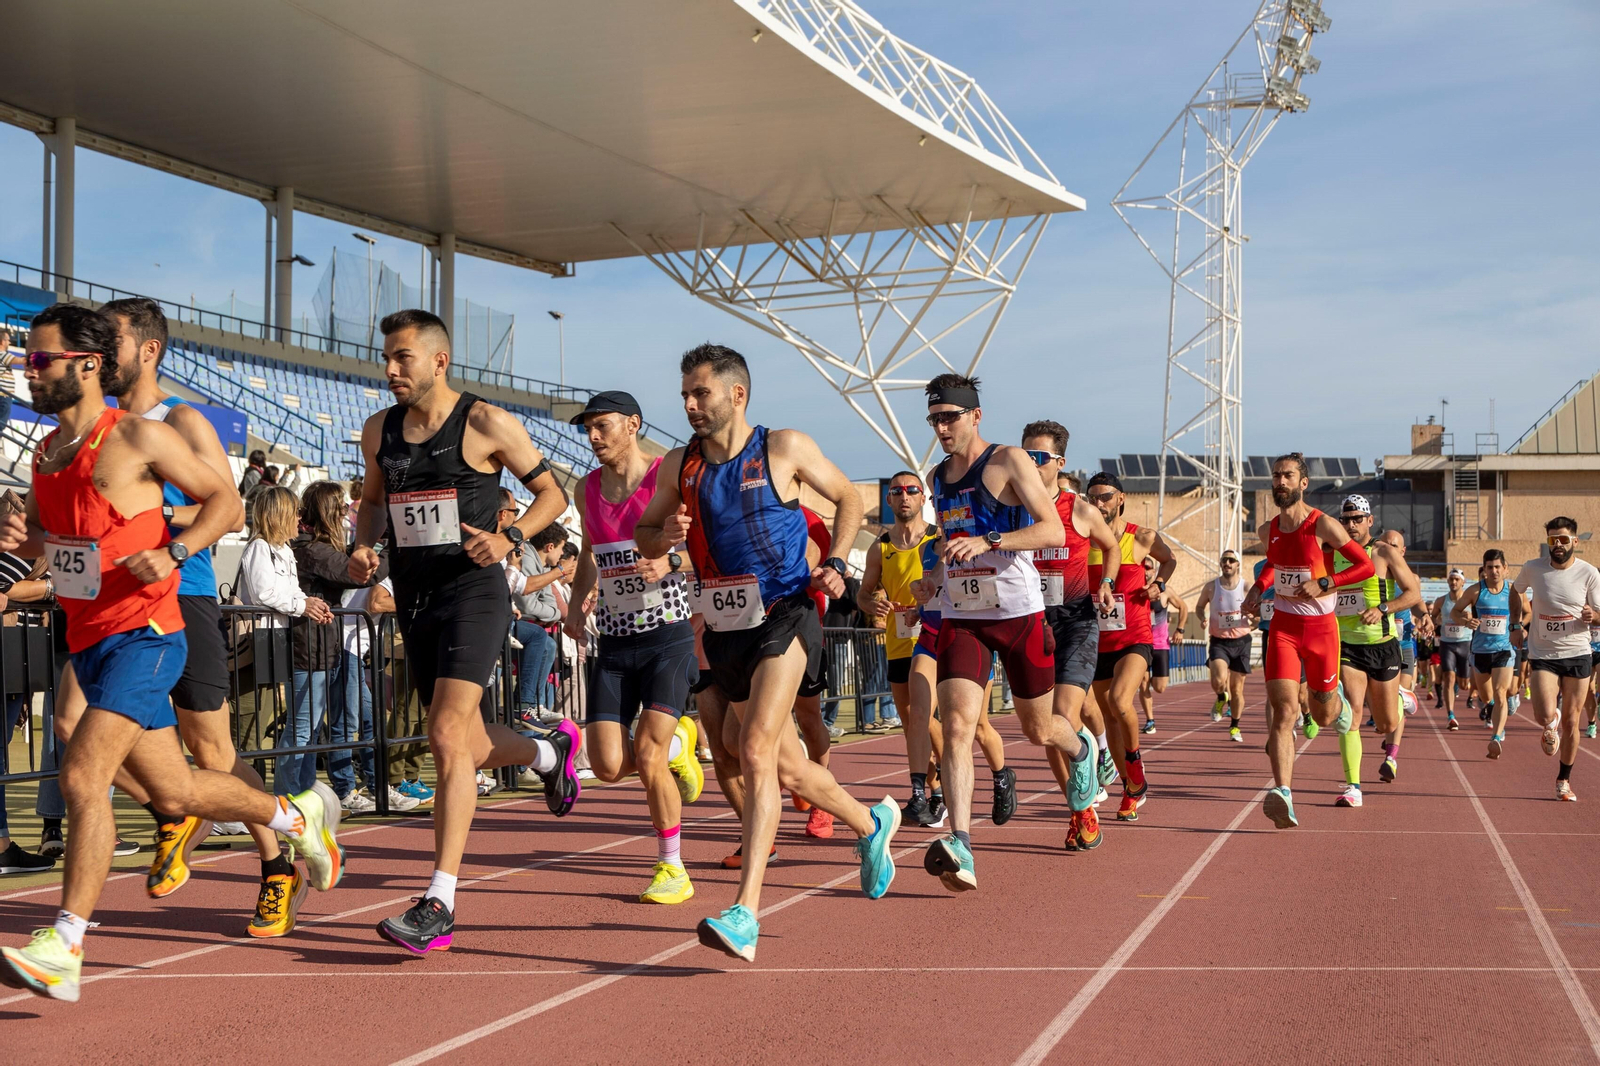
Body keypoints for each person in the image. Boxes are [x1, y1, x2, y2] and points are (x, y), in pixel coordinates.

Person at [0, 303, 340, 1001]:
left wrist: (174, 548)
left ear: (87, 365)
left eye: (41, 360)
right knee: (178, 789)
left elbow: (229, 504)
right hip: (89, 637)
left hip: (148, 636)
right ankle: (295, 817)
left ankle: (65, 944)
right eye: (26, 361)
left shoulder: (137, 436)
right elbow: (64, 546)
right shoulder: (46, 455)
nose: (29, 372)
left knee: (83, 774)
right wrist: (25, 542)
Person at [634, 343, 898, 961]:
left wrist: (834, 562)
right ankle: (871, 823)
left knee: (752, 749)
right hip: (727, 623)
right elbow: (646, 531)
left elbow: (850, 499)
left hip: (787, 610)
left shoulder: (784, 447)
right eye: (685, 396)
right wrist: (665, 535)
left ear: (737, 394)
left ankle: (745, 910)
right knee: (780, 765)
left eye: (700, 393)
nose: (691, 405)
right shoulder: (681, 464)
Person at [347, 309, 578, 954]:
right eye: (386, 357)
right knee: (465, 743)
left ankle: (440, 900)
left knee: (446, 734)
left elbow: (555, 498)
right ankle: (547, 754)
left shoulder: (483, 422)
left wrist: (509, 538)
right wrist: (366, 549)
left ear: (439, 361)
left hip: (475, 592)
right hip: (417, 597)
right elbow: (371, 503)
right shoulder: (379, 430)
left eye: (403, 358)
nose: (390, 369)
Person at [913, 374, 1094, 890]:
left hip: (1018, 613)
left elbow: (1051, 530)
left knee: (1038, 730)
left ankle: (1081, 750)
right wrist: (932, 582)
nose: (942, 427)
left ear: (975, 416)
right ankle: (962, 844)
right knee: (955, 727)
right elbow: (950, 545)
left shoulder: (1009, 460)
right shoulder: (937, 477)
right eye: (935, 419)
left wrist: (989, 539)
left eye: (950, 416)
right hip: (964, 616)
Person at [561, 390, 704, 905]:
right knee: (604, 766)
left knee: (645, 757)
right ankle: (680, 746)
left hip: (668, 633)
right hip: (616, 639)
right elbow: (591, 554)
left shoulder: (666, 476)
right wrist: (578, 603)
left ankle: (673, 868)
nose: (593, 437)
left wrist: (672, 563)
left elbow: (704, 546)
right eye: (587, 429)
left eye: (602, 426)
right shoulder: (587, 488)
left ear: (633, 425)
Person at [1242, 453, 1375, 829]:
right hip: (1283, 628)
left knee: (1322, 713)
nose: (1279, 482)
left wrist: (1325, 582)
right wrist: (1258, 587)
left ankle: (1341, 710)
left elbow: (1363, 564)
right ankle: (1283, 792)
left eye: (1287, 476)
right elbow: (1274, 563)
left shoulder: (1323, 525)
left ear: (1303, 484)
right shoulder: (1268, 529)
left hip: (1321, 631)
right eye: (1275, 476)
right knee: (1283, 711)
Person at [1019, 421, 1119, 850]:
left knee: (1063, 715)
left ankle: (1093, 769)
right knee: (1043, 729)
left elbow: (1111, 546)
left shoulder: (1079, 510)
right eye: (1024, 456)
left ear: (1059, 463)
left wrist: (1107, 583)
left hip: (1076, 622)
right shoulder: (1017, 509)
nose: (1029, 464)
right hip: (1030, 625)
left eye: (1038, 457)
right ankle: (1080, 809)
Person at [1083, 472, 1176, 822]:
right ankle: (1130, 788)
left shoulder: (1141, 538)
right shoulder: (1082, 541)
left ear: (1120, 498)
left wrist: (1159, 584)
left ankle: (1135, 763)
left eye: (1105, 497)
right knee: (1108, 718)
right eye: (1092, 497)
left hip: (1134, 637)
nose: (1098, 504)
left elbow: (1169, 559)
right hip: (1096, 640)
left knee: (1121, 700)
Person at [857, 470, 944, 824]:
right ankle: (934, 789)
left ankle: (943, 783)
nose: (904, 496)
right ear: (889, 500)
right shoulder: (881, 547)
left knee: (928, 718)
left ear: (923, 497)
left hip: (935, 637)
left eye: (911, 490)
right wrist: (871, 603)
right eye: (897, 491)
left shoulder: (938, 538)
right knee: (910, 721)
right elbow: (863, 593)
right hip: (898, 641)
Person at [1330, 496, 1421, 806]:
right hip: (1348, 647)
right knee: (1351, 716)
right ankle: (1352, 786)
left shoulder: (1383, 553)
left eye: (1357, 518)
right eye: (1346, 519)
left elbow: (1413, 593)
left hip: (1382, 646)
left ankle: (1399, 698)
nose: (1351, 524)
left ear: (1370, 521)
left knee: (1386, 724)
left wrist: (1384, 608)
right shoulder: (1331, 554)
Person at [1512, 518, 1600, 799]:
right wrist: (1517, 625)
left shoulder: (1589, 573)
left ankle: (1564, 779)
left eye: (1563, 539)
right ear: (1547, 542)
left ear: (1575, 542)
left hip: (1577, 652)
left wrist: (1593, 616)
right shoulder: (1533, 568)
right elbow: (1517, 591)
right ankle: (1551, 721)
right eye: (1553, 540)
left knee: (1573, 723)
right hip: (1544, 653)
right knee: (1543, 714)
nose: (1558, 545)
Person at [1452, 550, 1525, 758]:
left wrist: (1521, 627)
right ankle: (1492, 710)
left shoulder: (1513, 592)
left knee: (1501, 692)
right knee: (1487, 696)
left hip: (1504, 649)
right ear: (1484, 570)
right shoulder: (1475, 591)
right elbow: (1454, 612)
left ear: (1505, 568)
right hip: (1480, 650)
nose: (1493, 571)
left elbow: (1526, 612)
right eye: (1489, 567)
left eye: (1497, 567)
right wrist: (1466, 621)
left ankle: (1496, 736)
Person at [1195, 549, 1254, 740]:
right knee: (1218, 680)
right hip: (1219, 641)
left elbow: (1259, 610)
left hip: (1241, 641)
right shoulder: (1212, 587)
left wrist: (1254, 617)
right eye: (1224, 560)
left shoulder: (1246, 587)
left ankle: (1235, 726)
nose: (1227, 563)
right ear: (1221, 564)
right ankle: (1221, 697)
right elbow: (1199, 606)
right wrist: (1202, 617)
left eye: (1231, 560)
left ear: (1238, 564)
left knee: (1237, 690)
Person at [514, 524, 567, 723]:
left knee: (548, 643)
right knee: (542, 639)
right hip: (511, 625)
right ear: (550, 546)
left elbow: (552, 607)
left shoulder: (543, 566)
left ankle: (533, 705)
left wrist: (551, 612)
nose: (562, 554)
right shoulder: (527, 558)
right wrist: (552, 613)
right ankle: (526, 703)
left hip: (525, 627)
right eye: (562, 548)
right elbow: (528, 605)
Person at [1140, 557, 1188, 735]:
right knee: (1142, 682)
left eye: (1148, 568)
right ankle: (1150, 720)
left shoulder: (1166, 591)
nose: (1145, 571)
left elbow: (1183, 607)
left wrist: (1180, 630)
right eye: (1142, 567)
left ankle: (1149, 682)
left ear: (1154, 571)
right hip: (1140, 644)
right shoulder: (1133, 589)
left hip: (1160, 644)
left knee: (1159, 687)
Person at [1433, 567, 1474, 730]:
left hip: (1466, 643)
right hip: (1447, 643)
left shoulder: (1470, 601)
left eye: (1457, 579)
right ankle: (1451, 715)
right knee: (1448, 678)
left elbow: (1478, 616)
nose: (1454, 582)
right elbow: (1433, 617)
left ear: (1463, 582)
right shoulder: (1441, 601)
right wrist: (1436, 620)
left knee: (1464, 685)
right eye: (1451, 579)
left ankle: (1465, 682)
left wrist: (1471, 617)